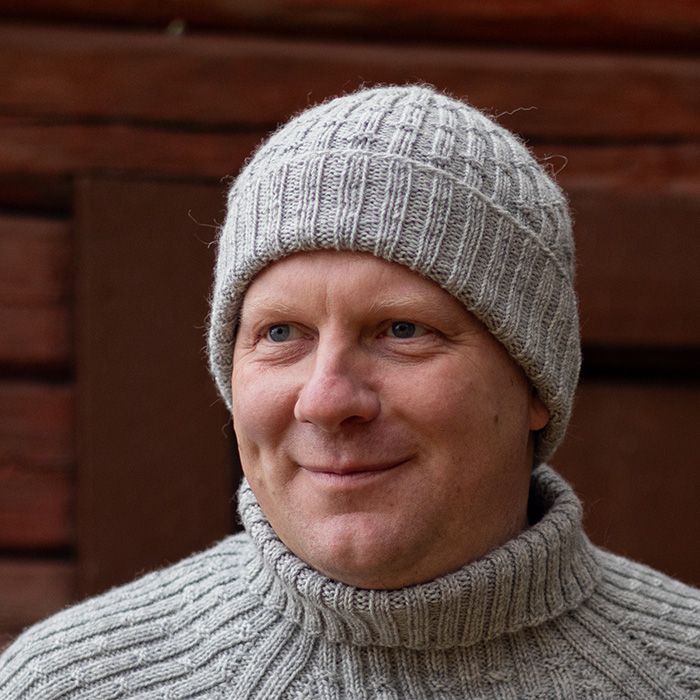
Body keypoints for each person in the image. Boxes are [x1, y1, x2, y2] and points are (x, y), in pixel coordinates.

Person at [1, 84, 698, 699]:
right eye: (280, 333)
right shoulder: (70, 685)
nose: (327, 400)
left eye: (402, 330)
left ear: (534, 379)